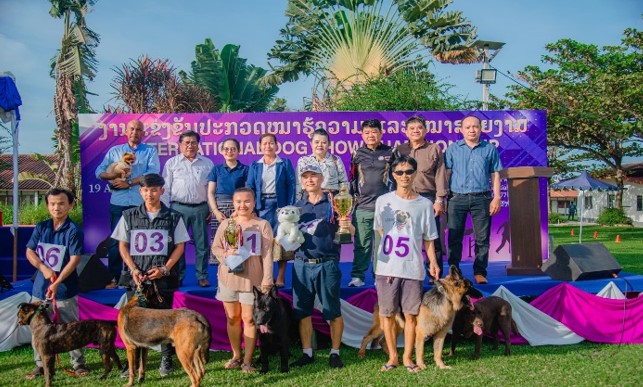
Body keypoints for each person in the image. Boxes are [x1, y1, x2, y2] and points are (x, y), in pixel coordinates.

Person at [112, 173, 190, 377]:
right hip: (136, 278)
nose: (150, 194)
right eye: (146, 190)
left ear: (162, 191)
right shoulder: (128, 215)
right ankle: (132, 363)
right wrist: (133, 269)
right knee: (134, 321)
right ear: (140, 191)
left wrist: (165, 269)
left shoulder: (174, 216)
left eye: (154, 189)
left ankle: (166, 358)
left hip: (162, 279)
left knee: (164, 320)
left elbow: (180, 247)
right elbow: (123, 245)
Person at [373, 155, 440, 373]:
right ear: (393, 175)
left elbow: (429, 238)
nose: (404, 176)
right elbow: (382, 232)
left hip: (413, 267)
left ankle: (408, 357)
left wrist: (433, 262)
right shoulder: (383, 201)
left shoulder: (425, 204)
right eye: (399, 172)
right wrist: (390, 259)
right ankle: (392, 357)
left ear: (415, 174)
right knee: (387, 314)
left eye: (408, 172)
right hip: (387, 268)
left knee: (411, 315)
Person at [290, 164, 353, 369]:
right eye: (305, 177)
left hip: (327, 264)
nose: (309, 180)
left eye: (313, 176)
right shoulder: (297, 206)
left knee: (332, 311)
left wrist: (345, 222)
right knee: (303, 312)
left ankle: (335, 352)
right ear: (302, 181)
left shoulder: (333, 203)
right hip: (301, 264)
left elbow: (350, 231)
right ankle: (307, 352)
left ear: (321, 178)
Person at [24, 188, 89, 380]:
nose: (56, 207)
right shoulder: (41, 227)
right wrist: (43, 268)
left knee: (71, 328)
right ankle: (41, 365)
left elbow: (75, 259)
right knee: (38, 329)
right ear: (47, 206)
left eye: (61, 203)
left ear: (70, 205)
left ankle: (78, 364)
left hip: (65, 289)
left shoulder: (74, 230)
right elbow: (30, 252)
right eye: (52, 204)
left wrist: (58, 281)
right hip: (40, 289)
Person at [211, 187, 274, 373]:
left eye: (247, 201)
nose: (242, 205)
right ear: (233, 203)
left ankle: (248, 360)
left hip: (252, 280)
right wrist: (226, 255)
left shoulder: (262, 225)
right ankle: (236, 355)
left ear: (254, 203)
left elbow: (268, 254)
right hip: (228, 278)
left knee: (249, 319)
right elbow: (215, 248)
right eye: (238, 201)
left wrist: (267, 278)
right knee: (232, 319)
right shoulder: (226, 225)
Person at [95, 119, 160, 283]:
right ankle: (115, 277)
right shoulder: (115, 151)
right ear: (126, 131)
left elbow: (152, 173)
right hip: (119, 202)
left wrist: (129, 183)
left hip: (141, 203)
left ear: (143, 133)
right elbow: (99, 172)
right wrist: (113, 175)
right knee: (116, 241)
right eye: (132, 129)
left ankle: (142, 276)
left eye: (139, 129)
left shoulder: (150, 151)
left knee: (141, 241)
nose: (135, 132)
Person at [445, 115, 503, 285]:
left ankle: (479, 271)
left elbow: (495, 174)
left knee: (482, 238)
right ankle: (454, 272)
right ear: (461, 130)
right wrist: (444, 198)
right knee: (454, 237)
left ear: (480, 129)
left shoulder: (489, 149)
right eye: (468, 127)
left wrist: (497, 197)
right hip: (457, 198)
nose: (472, 130)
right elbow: (447, 174)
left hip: (482, 198)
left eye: (475, 127)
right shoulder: (452, 149)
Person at [391, 115, 447, 278]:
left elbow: (440, 174)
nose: (416, 131)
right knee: (405, 236)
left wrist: (439, 200)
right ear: (406, 132)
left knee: (432, 237)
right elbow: (393, 175)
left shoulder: (434, 148)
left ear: (425, 130)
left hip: (428, 199)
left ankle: (435, 275)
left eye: (419, 128)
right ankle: (408, 273)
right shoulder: (400, 150)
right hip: (404, 199)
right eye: (412, 128)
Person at [161, 130, 213, 287]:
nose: (190, 145)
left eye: (193, 142)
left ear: (198, 145)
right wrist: (165, 210)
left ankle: (202, 275)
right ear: (180, 145)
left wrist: (211, 209)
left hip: (201, 208)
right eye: (186, 142)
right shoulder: (172, 163)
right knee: (178, 244)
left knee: (202, 244)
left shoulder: (207, 163)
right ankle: (178, 275)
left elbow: (211, 188)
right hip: (178, 209)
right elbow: (166, 188)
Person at [347, 118, 393, 287]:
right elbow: (352, 180)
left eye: (374, 132)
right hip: (363, 207)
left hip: (385, 209)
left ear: (381, 133)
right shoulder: (357, 154)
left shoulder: (391, 152)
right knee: (362, 245)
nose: (371, 135)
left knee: (382, 246)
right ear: (362, 135)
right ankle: (358, 276)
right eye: (367, 132)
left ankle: (379, 276)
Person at [246, 133, 296, 287]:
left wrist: (289, 207)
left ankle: (280, 277)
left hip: (281, 207)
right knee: (261, 241)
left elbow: (292, 186)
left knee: (281, 241)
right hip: (261, 206)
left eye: (271, 143)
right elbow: (250, 187)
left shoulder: (284, 163)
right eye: (265, 143)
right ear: (260, 146)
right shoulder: (255, 165)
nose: (268, 146)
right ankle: (263, 275)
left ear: (276, 145)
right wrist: (251, 208)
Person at [207, 138, 248, 265]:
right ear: (221, 151)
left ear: (238, 151)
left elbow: (247, 192)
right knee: (220, 242)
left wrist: (238, 211)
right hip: (219, 211)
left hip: (238, 210)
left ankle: (237, 276)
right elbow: (210, 192)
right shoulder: (216, 169)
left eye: (233, 149)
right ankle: (221, 279)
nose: (229, 151)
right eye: (226, 149)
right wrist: (215, 212)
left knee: (236, 243)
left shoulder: (245, 169)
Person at [295, 128, 348, 199]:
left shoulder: (336, 160)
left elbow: (344, 183)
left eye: (324, 142)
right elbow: (298, 185)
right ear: (311, 144)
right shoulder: (303, 161)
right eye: (316, 142)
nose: (320, 145)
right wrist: (298, 203)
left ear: (329, 144)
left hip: (331, 200)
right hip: (309, 200)